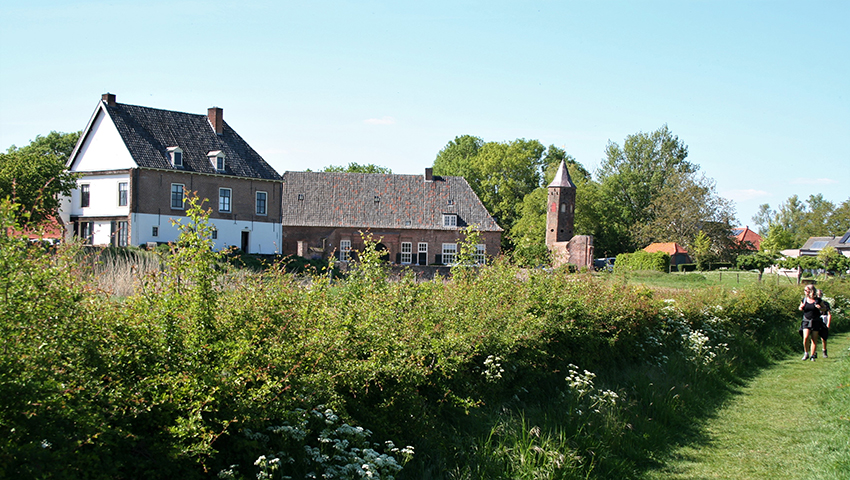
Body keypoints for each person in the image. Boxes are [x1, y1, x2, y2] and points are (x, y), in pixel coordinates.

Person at [798, 284, 823, 361]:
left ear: (811, 291)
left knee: (814, 339)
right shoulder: (804, 300)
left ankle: (812, 355)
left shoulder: (818, 300)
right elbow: (800, 307)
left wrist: (821, 308)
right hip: (806, 320)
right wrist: (801, 308)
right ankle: (806, 353)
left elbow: (825, 308)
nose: (805, 292)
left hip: (815, 321)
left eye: (806, 290)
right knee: (805, 337)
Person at [817, 289, 832, 358]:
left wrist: (828, 324)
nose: (819, 296)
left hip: (824, 319)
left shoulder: (826, 303)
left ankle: (824, 351)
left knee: (823, 337)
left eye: (820, 294)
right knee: (814, 336)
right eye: (818, 294)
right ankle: (814, 352)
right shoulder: (814, 303)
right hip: (816, 319)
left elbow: (829, 314)